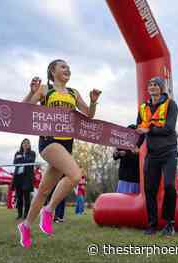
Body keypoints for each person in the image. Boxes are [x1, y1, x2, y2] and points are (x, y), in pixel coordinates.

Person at [18, 59, 101, 248]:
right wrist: (32, 92)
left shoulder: (73, 92)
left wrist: (93, 102)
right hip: (49, 142)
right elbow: (24, 110)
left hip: (67, 143)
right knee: (75, 174)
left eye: (68, 67)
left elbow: (89, 114)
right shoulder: (45, 90)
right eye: (63, 66)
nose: (67, 69)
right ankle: (49, 210)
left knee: (44, 190)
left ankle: (26, 225)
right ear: (52, 71)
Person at [136, 76, 178, 236]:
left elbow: (169, 128)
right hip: (152, 154)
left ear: (161, 88)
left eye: (155, 85)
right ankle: (152, 225)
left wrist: (150, 130)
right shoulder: (142, 107)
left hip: (169, 152)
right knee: (149, 190)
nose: (152, 87)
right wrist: (135, 146)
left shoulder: (171, 104)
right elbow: (140, 129)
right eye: (150, 84)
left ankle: (169, 223)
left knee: (168, 186)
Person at [13, 138, 36, 219]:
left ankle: (26, 215)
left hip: (27, 178)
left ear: (29, 145)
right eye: (24, 143)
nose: (26, 144)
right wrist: (23, 159)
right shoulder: (17, 153)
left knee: (26, 198)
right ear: (22, 144)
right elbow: (15, 162)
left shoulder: (32, 153)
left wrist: (21, 159)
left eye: (27, 143)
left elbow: (30, 161)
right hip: (18, 177)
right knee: (19, 198)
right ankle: (19, 214)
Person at [113, 125, 140, 193]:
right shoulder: (123, 143)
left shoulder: (139, 144)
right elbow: (115, 157)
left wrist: (126, 154)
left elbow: (140, 158)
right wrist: (116, 153)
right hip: (123, 179)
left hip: (134, 179)